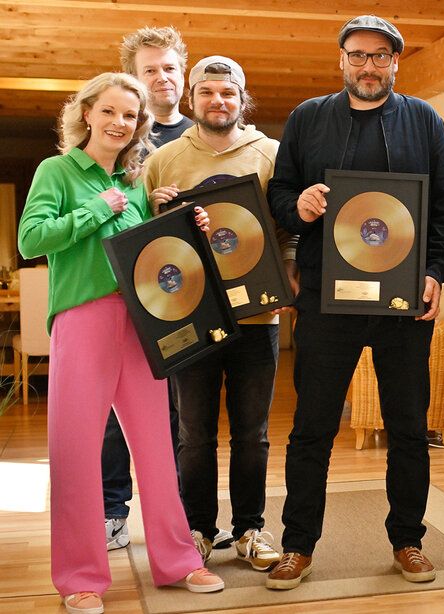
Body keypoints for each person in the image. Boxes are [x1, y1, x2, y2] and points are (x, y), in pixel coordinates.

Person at [265, 15, 444, 588]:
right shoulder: (307, 118)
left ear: (396, 62)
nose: (369, 65)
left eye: (380, 56)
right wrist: (297, 205)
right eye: (358, 55)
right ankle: (298, 546)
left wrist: (435, 271)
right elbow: (279, 194)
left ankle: (408, 541)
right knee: (312, 428)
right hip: (327, 301)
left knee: (407, 426)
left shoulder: (424, 119)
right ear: (342, 60)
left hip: (405, 303)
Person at [17, 72, 224, 614]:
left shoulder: (135, 182)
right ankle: (81, 577)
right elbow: (31, 238)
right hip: (83, 321)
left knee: (157, 444)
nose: (118, 123)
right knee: (76, 451)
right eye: (108, 111)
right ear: (87, 113)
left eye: (129, 116)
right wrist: (96, 209)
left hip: (142, 321)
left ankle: (178, 561)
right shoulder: (57, 171)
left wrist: (182, 225)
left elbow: (148, 254)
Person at [145, 55, 298, 572]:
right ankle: (198, 530)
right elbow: (142, 240)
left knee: (252, 433)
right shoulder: (163, 160)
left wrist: (290, 273)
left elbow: (288, 225)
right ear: (192, 100)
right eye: (207, 92)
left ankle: (251, 527)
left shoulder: (272, 153)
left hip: (257, 317)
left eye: (228, 93)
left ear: (242, 99)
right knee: (193, 434)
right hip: (189, 315)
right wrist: (154, 210)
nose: (218, 101)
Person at [101, 26, 195, 552]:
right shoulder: (116, 135)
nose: (161, 78)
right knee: (117, 413)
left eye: (169, 68)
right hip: (122, 296)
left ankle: (176, 517)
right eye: (149, 69)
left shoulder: (201, 131)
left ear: (183, 73)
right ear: (133, 80)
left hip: (184, 295)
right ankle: (113, 511)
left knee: (178, 413)